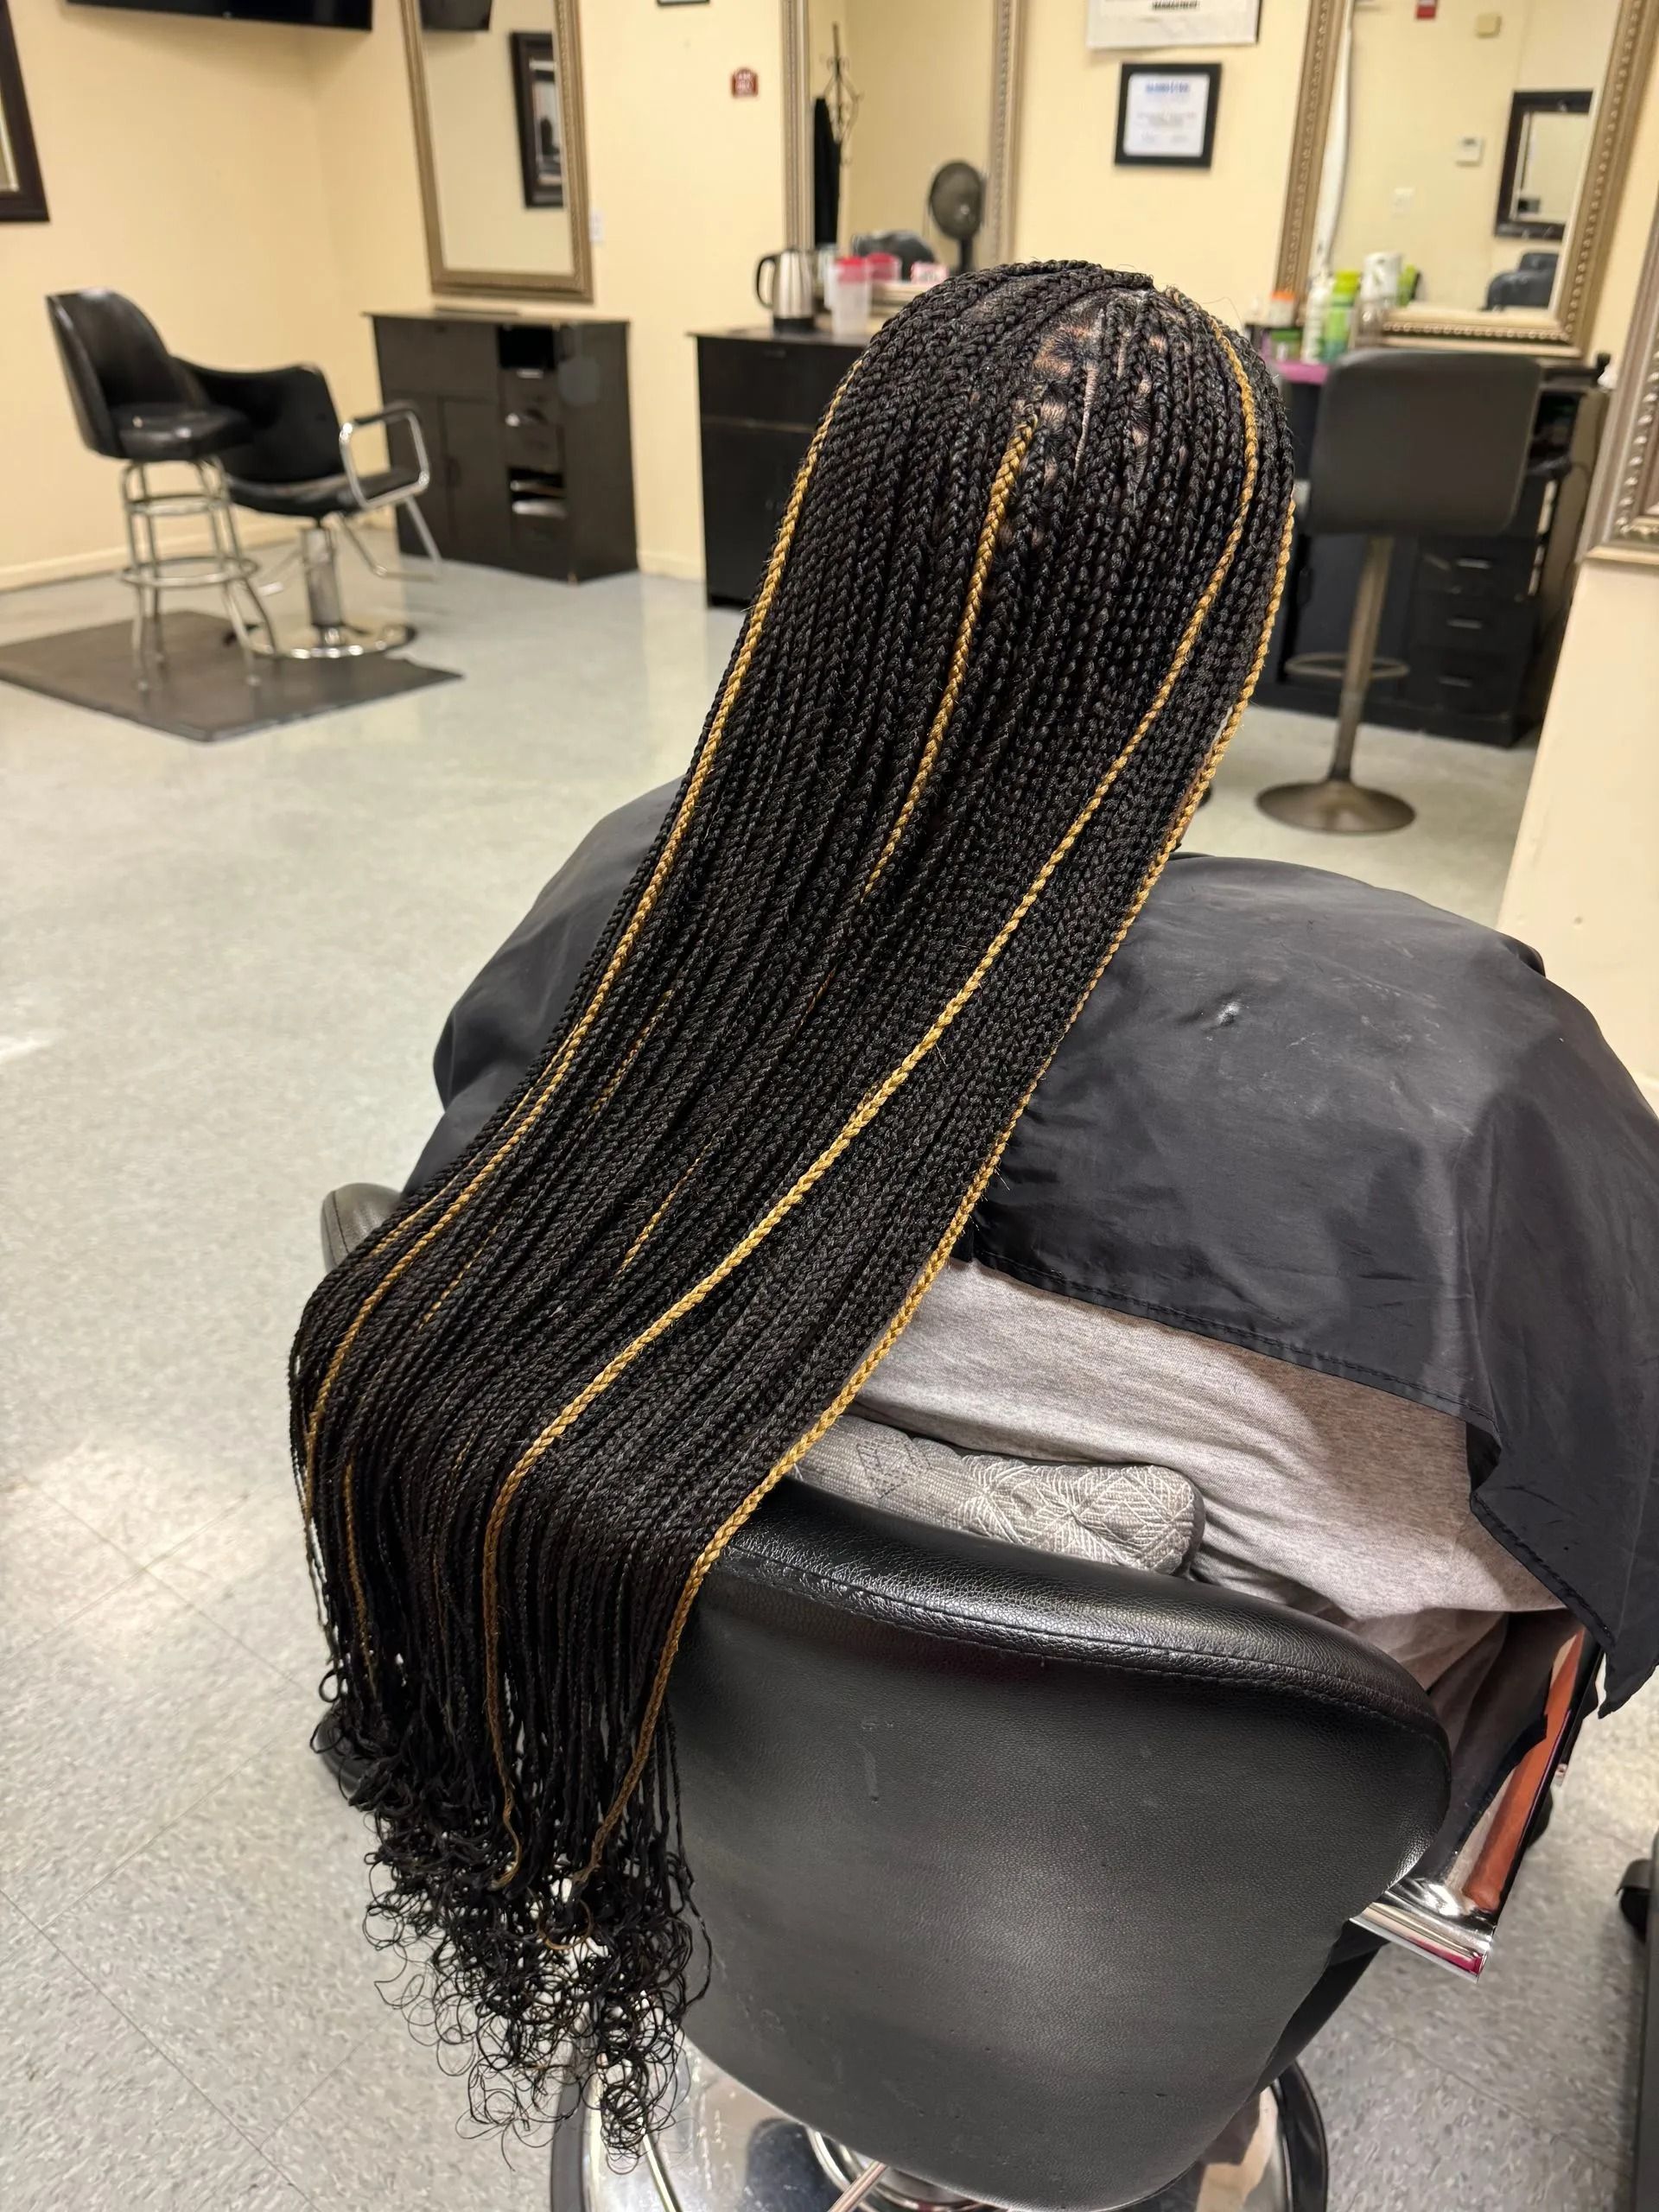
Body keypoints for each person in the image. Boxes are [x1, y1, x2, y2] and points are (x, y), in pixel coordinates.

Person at [290, 265, 1659, 2152]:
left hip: (695, 1797)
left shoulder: (633, 895)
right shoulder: (1461, 1084)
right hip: (1143, 1903)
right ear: (1227, 636)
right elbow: (1574, 1553)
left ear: (820, 560)